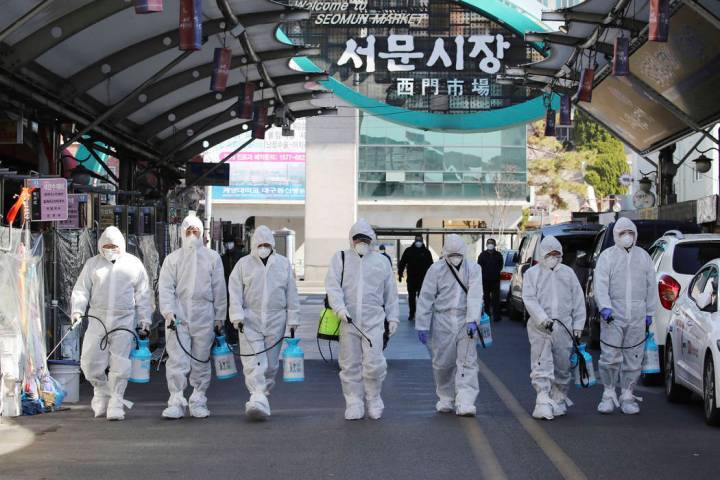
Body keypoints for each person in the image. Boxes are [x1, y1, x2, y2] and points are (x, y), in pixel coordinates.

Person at [71, 226, 152, 421]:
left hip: (123, 318)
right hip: (98, 318)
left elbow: (143, 294)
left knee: (120, 363)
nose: (110, 249)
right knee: (89, 361)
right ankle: (100, 391)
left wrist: (144, 319)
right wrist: (77, 310)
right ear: (100, 245)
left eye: (114, 245)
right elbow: (81, 290)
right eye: (106, 245)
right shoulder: (93, 265)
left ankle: (116, 400)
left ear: (121, 245)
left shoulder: (133, 264)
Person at [325, 219, 399, 420]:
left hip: (373, 321)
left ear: (372, 240)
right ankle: (354, 402)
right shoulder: (340, 258)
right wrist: (339, 309)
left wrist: (393, 318)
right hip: (348, 321)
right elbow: (333, 287)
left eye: (365, 239)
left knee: (374, 363)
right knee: (350, 365)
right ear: (351, 239)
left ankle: (374, 399)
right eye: (358, 239)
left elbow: (390, 293)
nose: (361, 242)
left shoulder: (381, 262)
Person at [158, 214, 227, 419]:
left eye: (195, 231)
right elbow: (166, 288)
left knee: (201, 358)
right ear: (182, 234)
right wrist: (168, 312)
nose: (191, 235)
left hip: (204, 314)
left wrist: (219, 317)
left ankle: (198, 399)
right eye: (188, 232)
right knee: (177, 359)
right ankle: (176, 400)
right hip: (179, 314)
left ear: (201, 234)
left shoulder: (212, 258)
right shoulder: (173, 259)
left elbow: (219, 289)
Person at [229, 225, 300, 420]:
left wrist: (293, 319)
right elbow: (234, 291)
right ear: (254, 245)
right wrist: (237, 316)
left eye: (267, 244)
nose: (263, 247)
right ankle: (256, 396)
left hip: (276, 320)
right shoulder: (243, 264)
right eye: (260, 244)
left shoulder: (283, 264)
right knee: (253, 362)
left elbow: (291, 294)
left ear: (272, 245)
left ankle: (262, 396)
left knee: (270, 365)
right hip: (250, 320)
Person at [415, 234, 483, 416]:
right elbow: (426, 297)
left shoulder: (474, 269)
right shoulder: (435, 270)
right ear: (445, 253)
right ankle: (446, 397)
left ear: (464, 252)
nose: (455, 257)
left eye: (458, 254)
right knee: (442, 363)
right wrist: (422, 324)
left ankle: (466, 401)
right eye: (451, 254)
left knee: (467, 363)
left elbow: (476, 295)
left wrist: (472, 319)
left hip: (465, 321)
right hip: (442, 321)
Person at [594, 217, 656, 415]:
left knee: (634, 357)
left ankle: (628, 395)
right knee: (610, 356)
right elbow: (600, 284)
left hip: (637, 316)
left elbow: (651, 287)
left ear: (635, 234)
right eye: (622, 233)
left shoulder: (644, 257)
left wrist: (649, 312)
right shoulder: (607, 257)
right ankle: (608, 393)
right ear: (616, 235)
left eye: (630, 233)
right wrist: (605, 307)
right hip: (613, 315)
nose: (627, 236)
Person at [522, 236, 586, 420]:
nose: (552, 257)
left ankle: (558, 398)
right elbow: (529, 299)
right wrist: (542, 319)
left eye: (556, 254)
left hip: (563, 328)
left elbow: (578, 301)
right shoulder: (532, 274)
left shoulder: (568, 273)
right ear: (542, 254)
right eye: (549, 254)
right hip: (540, 328)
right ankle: (542, 399)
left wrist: (578, 327)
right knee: (541, 364)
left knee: (562, 366)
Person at [398, 235, 433, 322]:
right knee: (411, 297)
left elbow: (431, 266)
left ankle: (421, 313)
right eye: (417, 240)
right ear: (414, 241)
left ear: (422, 241)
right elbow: (402, 262)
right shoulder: (409, 251)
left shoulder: (426, 252)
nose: (418, 242)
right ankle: (412, 313)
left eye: (419, 240)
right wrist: (400, 273)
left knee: (422, 298)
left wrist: (432, 278)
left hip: (423, 280)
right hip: (411, 279)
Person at [477, 238, 504, 322]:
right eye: (489, 243)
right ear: (486, 245)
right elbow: (479, 266)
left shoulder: (498, 255)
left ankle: (496, 317)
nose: (490, 244)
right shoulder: (482, 255)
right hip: (485, 280)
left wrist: (495, 273)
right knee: (486, 298)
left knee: (496, 299)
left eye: (492, 243)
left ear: (495, 245)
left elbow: (500, 266)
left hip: (495, 280)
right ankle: (486, 315)